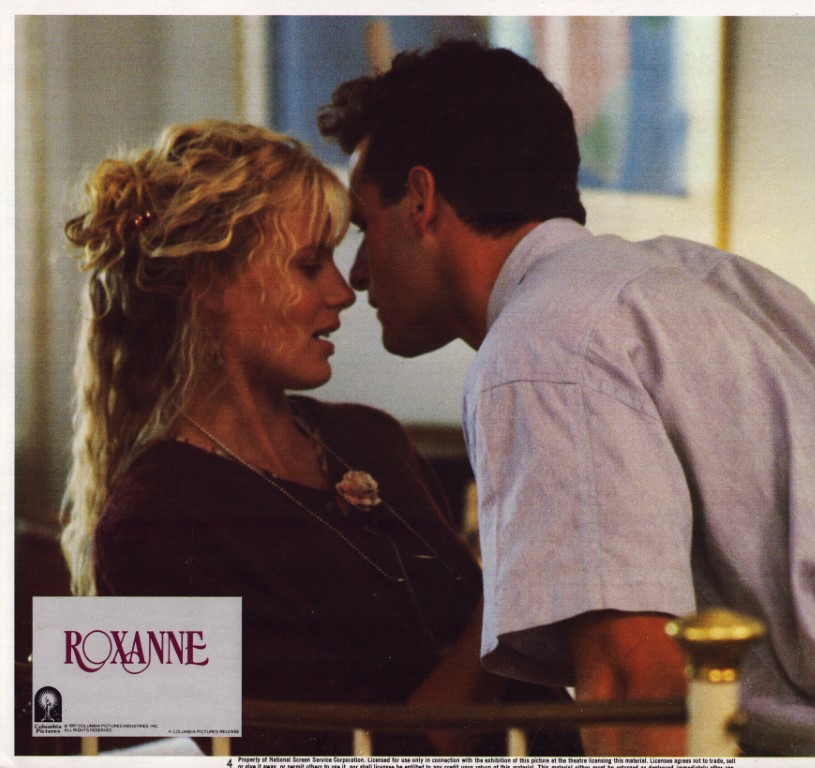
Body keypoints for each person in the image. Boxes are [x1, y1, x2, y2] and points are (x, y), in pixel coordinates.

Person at [317, 41, 815, 757]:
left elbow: (634, 690)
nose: (357, 274)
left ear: (420, 200)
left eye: (363, 228)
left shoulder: (539, 348)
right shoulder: (687, 274)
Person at [59, 119, 580, 757]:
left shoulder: (370, 437)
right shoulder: (150, 522)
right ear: (208, 283)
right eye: (309, 266)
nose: (342, 292)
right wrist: (512, 582)